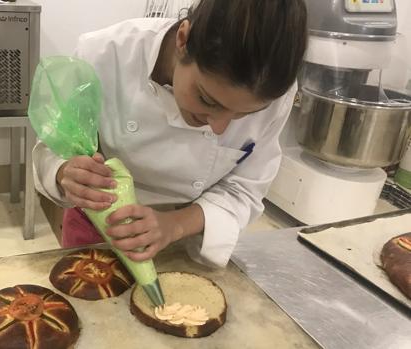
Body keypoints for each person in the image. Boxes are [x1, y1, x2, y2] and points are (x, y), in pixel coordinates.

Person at [33, 0, 308, 267]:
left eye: (242, 115)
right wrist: (66, 172)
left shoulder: (274, 93)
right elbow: (53, 149)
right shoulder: (105, 53)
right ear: (183, 39)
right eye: (208, 101)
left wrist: (175, 226)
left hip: (191, 235)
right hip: (102, 223)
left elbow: (246, 189)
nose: (219, 127)